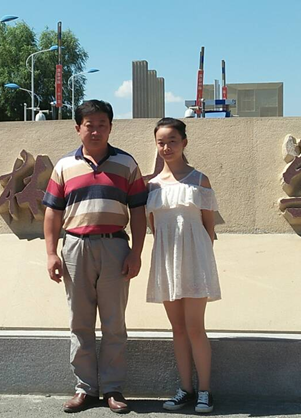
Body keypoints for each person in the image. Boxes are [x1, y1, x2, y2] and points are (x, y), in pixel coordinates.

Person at [43, 100, 147, 414]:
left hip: (116, 248)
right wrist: (51, 253)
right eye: (89, 125)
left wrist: (136, 253)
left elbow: (138, 211)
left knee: (114, 323)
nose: (96, 131)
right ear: (78, 128)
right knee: (80, 322)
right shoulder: (64, 166)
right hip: (75, 247)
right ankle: (85, 389)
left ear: (110, 127)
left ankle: (113, 388)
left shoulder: (126, 164)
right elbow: (52, 213)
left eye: (102, 124)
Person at [146, 117, 221, 414]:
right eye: (161, 142)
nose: (166, 147)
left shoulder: (200, 180)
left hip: (195, 260)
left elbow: (208, 227)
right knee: (177, 329)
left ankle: (205, 391)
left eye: (172, 141)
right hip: (166, 261)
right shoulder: (151, 186)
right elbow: (154, 227)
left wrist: (200, 260)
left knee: (195, 327)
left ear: (184, 143)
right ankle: (185, 389)